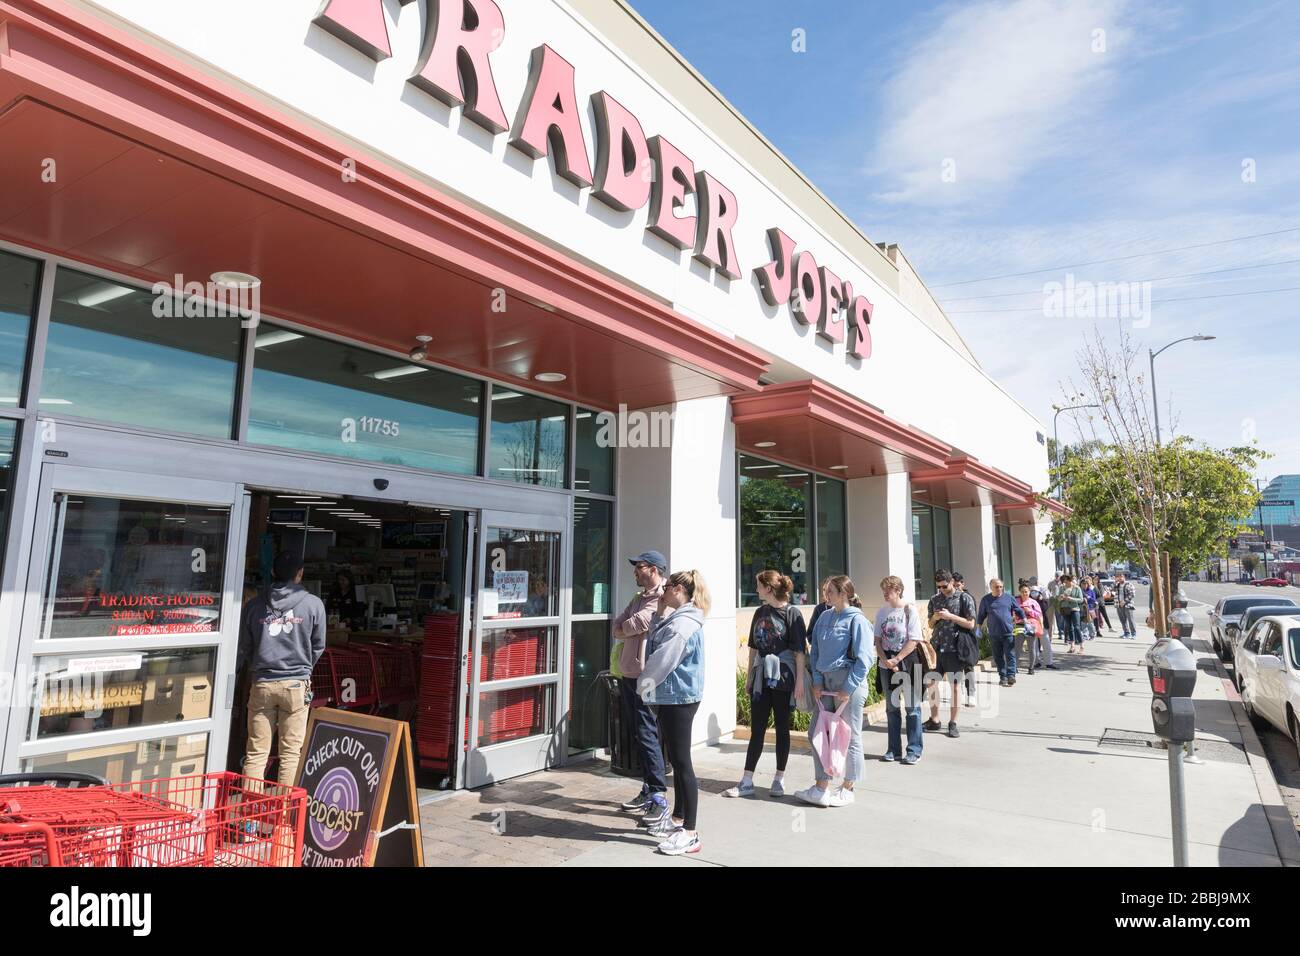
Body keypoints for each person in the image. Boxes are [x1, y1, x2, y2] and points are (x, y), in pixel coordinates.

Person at [636, 569, 710, 856]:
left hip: (678, 698)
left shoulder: (683, 625)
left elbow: (661, 660)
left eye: (666, 587)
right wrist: (659, 612)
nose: (662, 591)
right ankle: (679, 820)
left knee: (682, 763)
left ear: (679, 589)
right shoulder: (680, 618)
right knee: (677, 761)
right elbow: (656, 640)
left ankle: (690, 832)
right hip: (675, 696)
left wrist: (643, 685)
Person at [239, 550, 327, 786]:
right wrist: (303, 666)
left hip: (263, 683)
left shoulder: (254, 605)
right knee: (290, 754)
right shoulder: (313, 605)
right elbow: (318, 646)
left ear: (272, 572)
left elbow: (245, 645)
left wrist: (259, 665)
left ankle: (249, 817)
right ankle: (284, 817)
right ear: (300, 574)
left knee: (257, 752)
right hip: (296, 685)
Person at [727, 571, 807, 798]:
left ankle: (779, 778)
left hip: (783, 678)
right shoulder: (759, 612)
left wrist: (799, 682)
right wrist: (751, 677)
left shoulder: (792, 614)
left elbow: (800, 652)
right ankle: (747, 780)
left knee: (782, 728)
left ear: (768, 589)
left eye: (759, 586)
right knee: (757, 729)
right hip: (762, 678)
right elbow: (753, 647)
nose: (756, 589)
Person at [796, 576, 873, 807]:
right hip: (826, 685)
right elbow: (816, 650)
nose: (825, 595)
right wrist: (817, 681)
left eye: (830, 591)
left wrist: (848, 688)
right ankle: (821, 787)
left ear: (843, 594)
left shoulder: (857, 621)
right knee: (817, 733)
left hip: (849, 683)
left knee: (850, 736)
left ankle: (848, 787)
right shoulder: (824, 617)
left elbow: (865, 659)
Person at [611, 550, 669, 822]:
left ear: (654, 570)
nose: (635, 571)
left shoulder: (661, 597)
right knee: (639, 731)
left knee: (647, 731)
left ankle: (658, 793)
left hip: (646, 675)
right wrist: (625, 626)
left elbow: (639, 623)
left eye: (640, 567)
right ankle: (648, 788)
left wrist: (626, 626)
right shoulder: (639, 597)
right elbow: (618, 625)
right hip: (629, 672)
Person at [875, 575, 923, 764]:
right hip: (886, 665)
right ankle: (893, 749)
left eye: (889, 590)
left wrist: (897, 659)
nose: (885, 594)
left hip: (908, 664)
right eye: (884, 590)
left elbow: (914, 640)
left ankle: (914, 750)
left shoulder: (909, 610)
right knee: (892, 709)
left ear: (898, 590)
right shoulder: (881, 612)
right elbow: (877, 639)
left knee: (912, 708)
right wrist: (885, 660)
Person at [926, 569, 978, 736]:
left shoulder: (964, 598)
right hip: (937, 648)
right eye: (938, 586)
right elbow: (931, 625)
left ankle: (953, 723)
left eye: (944, 586)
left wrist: (951, 617)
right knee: (931, 684)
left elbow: (970, 624)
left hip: (955, 649)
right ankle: (934, 719)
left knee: (955, 686)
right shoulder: (934, 599)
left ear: (951, 582)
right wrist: (935, 618)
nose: (941, 589)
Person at [978, 578, 1028, 687]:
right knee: (998, 656)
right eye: (996, 587)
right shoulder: (986, 600)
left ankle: (1011, 675)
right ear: (991, 587)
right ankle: (1003, 676)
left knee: (1010, 654)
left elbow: (1018, 610)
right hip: (994, 634)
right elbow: (981, 615)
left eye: (1001, 586)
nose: (999, 589)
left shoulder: (1009, 598)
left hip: (1008, 632)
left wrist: (1025, 621)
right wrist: (978, 628)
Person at [1015, 581, 1046, 674]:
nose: (1024, 593)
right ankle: (1015, 666)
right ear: (1019, 592)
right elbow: (1012, 612)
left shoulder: (1033, 602)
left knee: (1031, 647)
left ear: (1029, 592)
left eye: (1026, 591)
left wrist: (1029, 611)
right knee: (1017, 647)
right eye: (1022, 591)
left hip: (1031, 627)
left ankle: (1031, 667)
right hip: (1019, 625)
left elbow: (1039, 615)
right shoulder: (1016, 601)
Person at [1057, 573, 1086, 654]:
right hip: (1065, 609)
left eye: (1066, 581)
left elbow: (1080, 600)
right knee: (1069, 627)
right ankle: (1072, 646)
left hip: (1074, 609)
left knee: (1077, 627)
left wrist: (1070, 598)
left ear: (1070, 580)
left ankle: (1081, 646)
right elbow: (1058, 598)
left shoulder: (1077, 588)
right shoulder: (1062, 588)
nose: (1065, 583)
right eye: (1064, 581)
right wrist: (1060, 598)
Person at [1114, 572, 1137, 639]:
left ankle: (1134, 634)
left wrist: (1124, 601)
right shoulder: (1117, 585)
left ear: (1124, 577)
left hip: (1128, 605)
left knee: (1130, 620)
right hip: (1118, 605)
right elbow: (1111, 589)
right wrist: (1115, 582)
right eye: (1118, 577)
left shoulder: (1129, 584)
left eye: (1121, 577)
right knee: (1122, 620)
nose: (1120, 578)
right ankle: (1126, 633)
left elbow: (1132, 594)